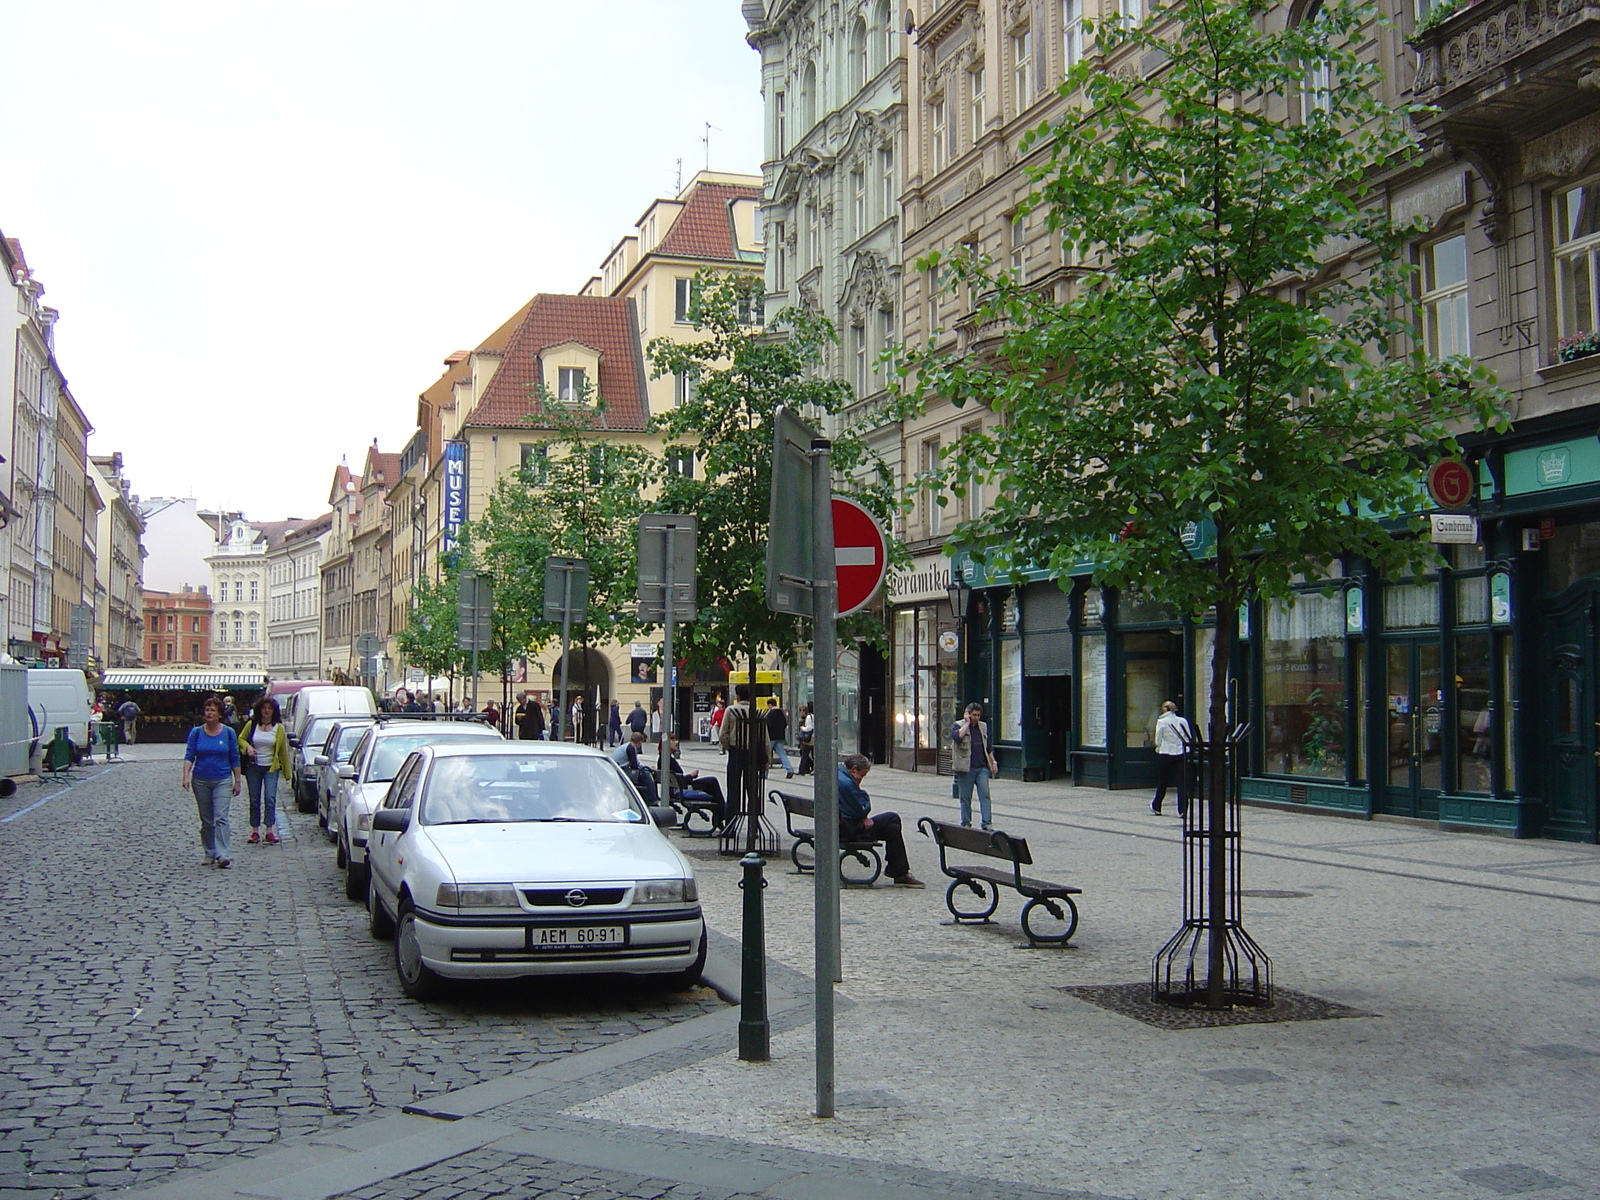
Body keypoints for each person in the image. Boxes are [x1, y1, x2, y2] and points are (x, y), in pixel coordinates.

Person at [837, 753, 923, 887]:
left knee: (892, 829)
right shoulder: (847, 783)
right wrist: (860, 792)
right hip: (849, 830)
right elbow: (863, 807)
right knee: (892, 817)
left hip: (839, 826)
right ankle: (898, 872)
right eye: (862, 776)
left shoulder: (837, 773)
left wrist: (862, 816)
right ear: (854, 769)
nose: (860, 780)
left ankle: (899, 870)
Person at [183, 696, 242, 869]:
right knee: (207, 819)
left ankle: (223, 853)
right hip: (201, 779)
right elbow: (189, 755)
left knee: (221, 817)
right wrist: (185, 776)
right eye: (207, 710)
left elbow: (234, 757)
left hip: (222, 779)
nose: (209, 713)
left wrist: (237, 780)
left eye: (213, 711)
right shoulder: (197, 733)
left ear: (219, 714)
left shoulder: (228, 733)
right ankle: (210, 851)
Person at [239, 697, 292, 845]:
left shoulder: (279, 728)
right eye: (264, 708)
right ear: (259, 710)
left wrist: (288, 774)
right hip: (254, 767)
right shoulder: (252, 725)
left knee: (270, 798)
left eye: (269, 708)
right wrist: (247, 747)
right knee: (254, 799)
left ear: (273, 711)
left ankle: (269, 829)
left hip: (271, 767)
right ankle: (255, 830)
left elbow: (282, 751)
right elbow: (241, 739)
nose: (267, 711)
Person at [951, 702, 999, 830]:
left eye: (978, 715)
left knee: (985, 795)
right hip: (966, 768)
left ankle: (987, 822)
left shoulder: (983, 726)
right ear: (967, 714)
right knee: (965, 798)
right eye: (973, 715)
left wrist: (993, 762)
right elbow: (957, 737)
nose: (976, 718)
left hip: (981, 767)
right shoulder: (958, 725)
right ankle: (966, 822)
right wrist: (966, 723)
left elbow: (988, 746)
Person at [666, 734, 729, 828]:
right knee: (712, 782)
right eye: (673, 740)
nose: (676, 742)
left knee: (711, 785)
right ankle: (721, 813)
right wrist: (691, 775)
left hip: (678, 788)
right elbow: (681, 781)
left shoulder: (665, 759)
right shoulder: (668, 760)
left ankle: (720, 813)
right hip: (681, 789)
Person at [719, 685, 756, 822]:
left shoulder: (731, 710)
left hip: (736, 752)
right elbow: (765, 739)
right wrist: (766, 759)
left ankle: (731, 825)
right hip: (752, 755)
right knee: (752, 793)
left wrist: (728, 747)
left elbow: (723, 734)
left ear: (738, 696)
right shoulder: (755, 711)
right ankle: (754, 826)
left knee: (733, 791)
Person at [1152, 700, 1192, 816]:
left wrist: (1158, 746)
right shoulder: (1182, 721)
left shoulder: (1162, 722)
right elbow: (1188, 737)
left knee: (1162, 781)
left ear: (1165, 709)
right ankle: (1183, 809)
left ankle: (1157, 805)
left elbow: (1158, 739)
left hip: (1165, 753)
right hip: (1180, 753)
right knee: (1182, 782)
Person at [622, 731, 661, 805]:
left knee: (646, 770)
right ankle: (652, 800)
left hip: (620, 769)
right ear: (639, 743)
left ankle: (653, 797)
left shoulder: (627, 745)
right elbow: (635, 766)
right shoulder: (631, 748)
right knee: (646, 775)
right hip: (622, 770)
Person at [765, 699, 795, 778]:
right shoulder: (781, 713)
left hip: (771, 737)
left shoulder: (770, 713)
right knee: (782, 754)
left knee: (766, 755)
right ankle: (789, 769)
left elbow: (767, 725)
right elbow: (785, 723)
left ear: (770, 705)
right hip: (780, 736)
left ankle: (765, 772)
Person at [795, 701, 815, 775]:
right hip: (814, 737)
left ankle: (802, 770)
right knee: (813, 754)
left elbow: (809, 728)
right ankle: (813, 768)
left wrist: (802, 728)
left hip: (809, 738)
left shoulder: (809, 717)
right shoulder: (815, 716)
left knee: (804, 754)